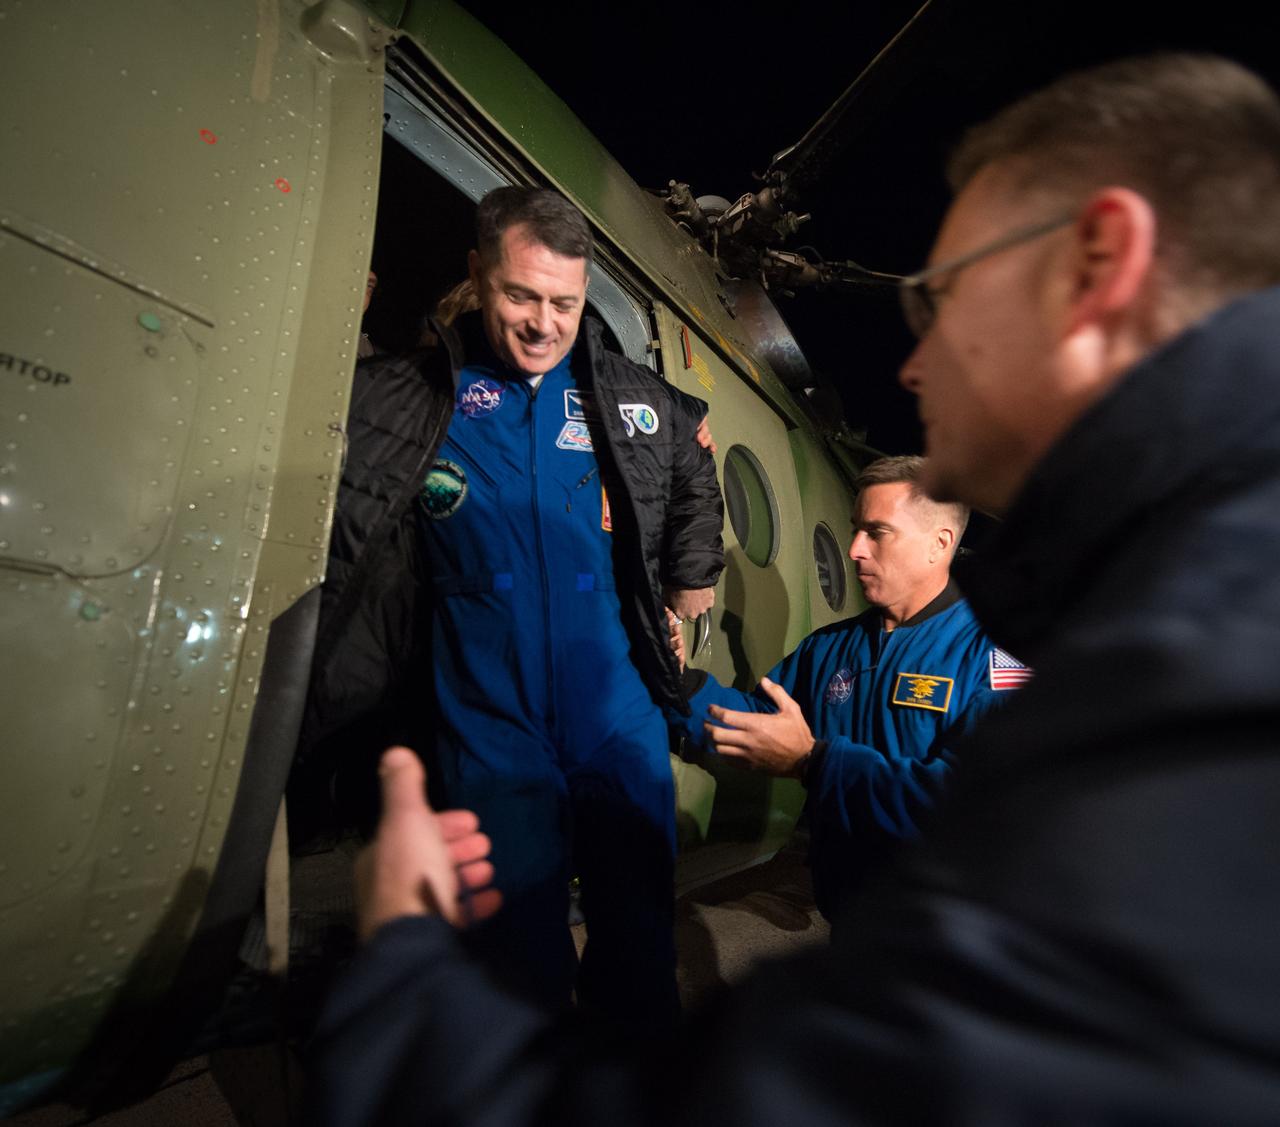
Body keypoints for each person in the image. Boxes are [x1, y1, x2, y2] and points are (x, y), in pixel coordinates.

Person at [309, 54, 1280, 1123]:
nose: (909, 369)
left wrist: (400, 963)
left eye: (940, 297)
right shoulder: (867, 650)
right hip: (616, 788)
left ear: (1102, 265)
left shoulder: (1130, 684)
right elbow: (738, 711)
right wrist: (675, 686)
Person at [297, 186, 724, 1023]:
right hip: (488, 725)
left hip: (616, 719)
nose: (544, 323)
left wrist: (690, 580)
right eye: (520, 295)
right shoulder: (408, 397)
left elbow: (690, 454)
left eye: (565, 302)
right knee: (514, 963)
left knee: (639, 953)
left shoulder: (621, 396)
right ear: (477, 273)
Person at [668, 454, 1017, 923]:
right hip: (849, 911)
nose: (854, 549)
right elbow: (760, 721)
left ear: (940, 543)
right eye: (855, 529)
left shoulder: (991, 659)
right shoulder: (831, 648)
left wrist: (815, 763)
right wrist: (679, 681)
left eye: (876, 532)